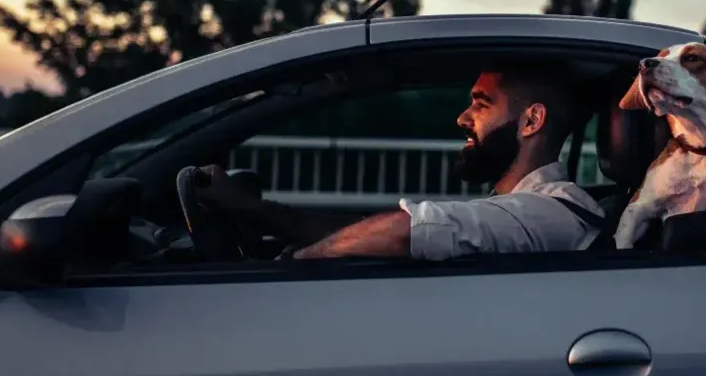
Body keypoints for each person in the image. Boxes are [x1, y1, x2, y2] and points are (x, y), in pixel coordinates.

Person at [197, 65, 605, 260]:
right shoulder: (522, 207)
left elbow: (407, 231)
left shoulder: (554, 210)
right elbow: (359, 232)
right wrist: (249, 208)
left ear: (532, 121)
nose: (462, 118)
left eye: (481, 104)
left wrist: (297, 263)